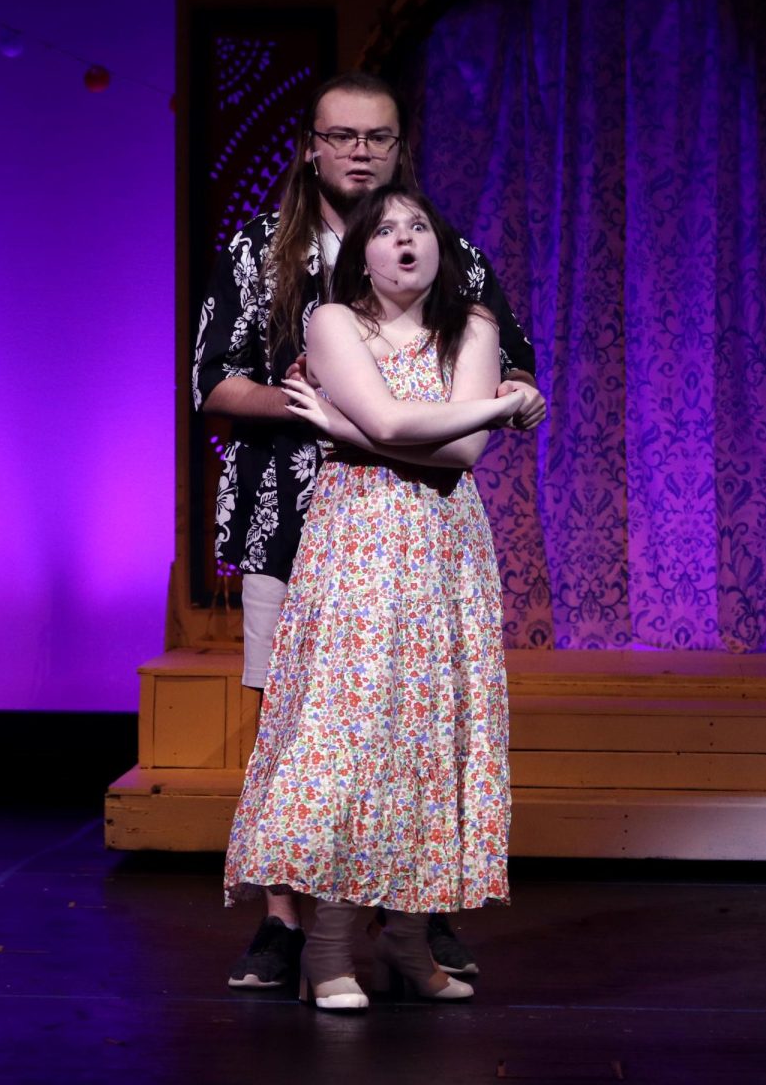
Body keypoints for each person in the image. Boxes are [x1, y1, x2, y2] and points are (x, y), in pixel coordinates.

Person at [192, 71, 545, 990]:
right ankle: (288, 923)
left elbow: (506, 371)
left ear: (398, 148)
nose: (358, 151)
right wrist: (330, 409)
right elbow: (213, 383)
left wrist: (443, 411)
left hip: (422, 521)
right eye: (340, 136)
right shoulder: (258, 254)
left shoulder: (444, 252)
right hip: (293, 518)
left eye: (376, 137)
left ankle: (405, 918)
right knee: (304, 724)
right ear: (310, 145)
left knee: (417, 723)